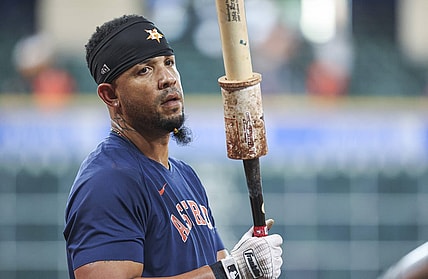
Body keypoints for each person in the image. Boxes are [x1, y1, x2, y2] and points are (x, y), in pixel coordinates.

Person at [63, 14, 283, 279]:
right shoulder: (108, 180)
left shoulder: (186, 176)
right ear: (110, 95)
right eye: (144, 70)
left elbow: (218, 266)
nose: (167, 78)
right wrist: (234, 270)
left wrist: (246, 262)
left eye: (169, 63)